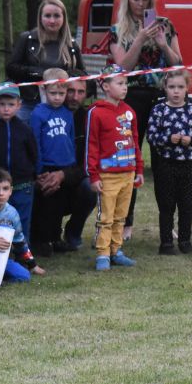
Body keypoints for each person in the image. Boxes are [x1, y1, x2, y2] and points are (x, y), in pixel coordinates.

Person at [108, 0, 183, 240]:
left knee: (165, 162)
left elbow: (178, 64)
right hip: (132, 97)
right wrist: (139, 39)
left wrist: (162, 45)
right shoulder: (118, 30)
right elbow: (122, 68)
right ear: (127, 0)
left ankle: (167, 222)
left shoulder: (165, 25)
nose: (141, 4)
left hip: (162, 99)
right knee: (130, 160)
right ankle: (125, 222)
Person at [86, 65, 143, 271]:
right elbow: (91, 145)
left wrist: (139, 169)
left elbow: (135, 141)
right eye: (120, 83)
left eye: (126, 83)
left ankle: (116, 250)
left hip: (128, 173)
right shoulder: (95, 112)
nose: (125, 87)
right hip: (107, 175)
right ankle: (102, 253)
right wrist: (93, 175)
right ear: (105, 86)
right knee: (106, 217)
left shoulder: (129, 112)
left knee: (121, 216)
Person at [146, 69, 192, 255]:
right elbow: (151, 136)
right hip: (165, 164)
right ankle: (166, 243)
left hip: (189, 164)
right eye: (172, 87)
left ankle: (185, 241)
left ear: (187, 88)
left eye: (180, 87)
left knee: (186, 204)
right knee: (166, 205)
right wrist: (167, 138)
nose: (176, 91)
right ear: (165, 87)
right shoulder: (158, 109)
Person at [7, 0, 86, 124]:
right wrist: (40, 73)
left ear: (64, 18)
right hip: (29, 104)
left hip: (61, 105)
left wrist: (65, 77)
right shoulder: (27, 39)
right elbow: (11, 68)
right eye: (47, 16)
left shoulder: (72, 45)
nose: (52, 20)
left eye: (57, 16)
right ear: (40, 18)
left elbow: (82, 75)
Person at [30, 68, 81, 256]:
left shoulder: (67, 113)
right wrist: (38, 169)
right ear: (44, 89)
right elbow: (35, 142)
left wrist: (71, 162)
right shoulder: (38, 114)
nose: (58, 97)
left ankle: (55, 238)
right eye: (53, 93)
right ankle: (41, 240)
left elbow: (71, 138)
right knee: (45, 205)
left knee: (59, 205)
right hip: (47, 166)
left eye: (61, 93)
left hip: (64, 165)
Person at [0, 82, 38, 242]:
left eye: (11, 104)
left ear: (19, 105)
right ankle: (0, 252)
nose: (6, 109)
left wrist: (33, 174)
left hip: (22, 183)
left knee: (22, 219)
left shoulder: (25, 129)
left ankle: (23, 252)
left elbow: (33, 153)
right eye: (2, 104)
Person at [57, 77, 98, 252]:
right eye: (71, 91)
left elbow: (90, 161)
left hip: (76, 177)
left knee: (91, 186)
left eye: (80, 92)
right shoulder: (48, 115)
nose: (75, 97)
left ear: (87, 94)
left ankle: (73, 232)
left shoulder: (90, 119)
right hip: (51, 175)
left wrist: (65, 175)